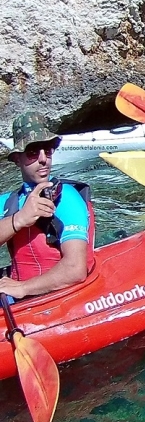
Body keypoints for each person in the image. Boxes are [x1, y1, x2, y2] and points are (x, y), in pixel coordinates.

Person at [0, 112, 92, 300]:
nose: (43, 159)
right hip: (18, 296)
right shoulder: (8, 201)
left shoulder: (67, 199)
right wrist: (19, 219)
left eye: (48, 150)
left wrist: (23, 288)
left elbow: (76, 269)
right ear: (17, 158)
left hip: (57, 297)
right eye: (33, 151)